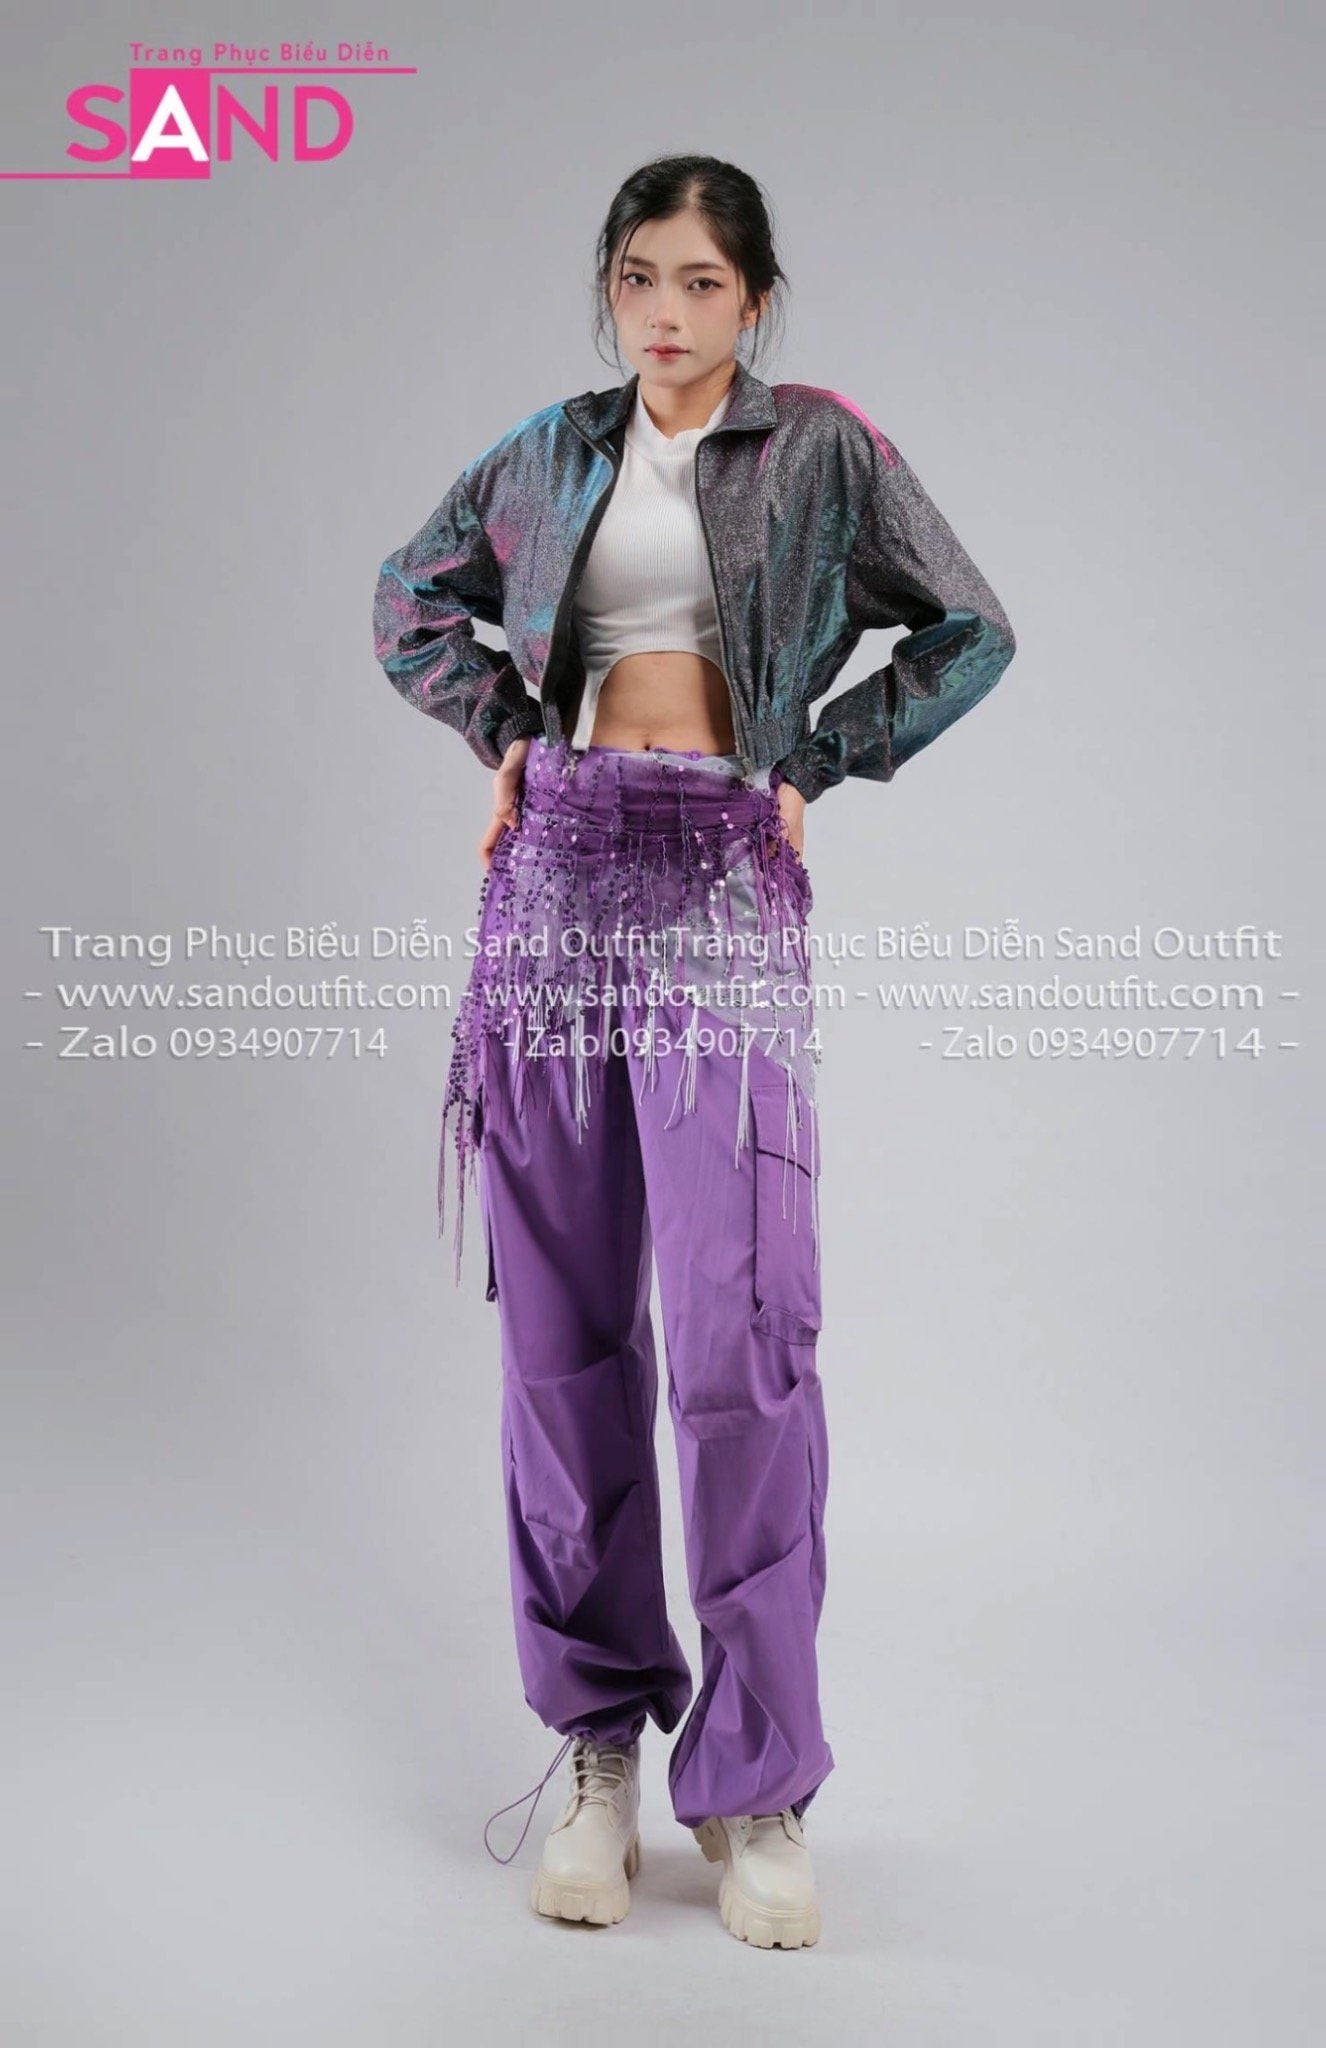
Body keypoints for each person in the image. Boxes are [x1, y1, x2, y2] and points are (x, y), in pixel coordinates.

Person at [372, 153, 1016, 1950]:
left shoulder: (815, 449)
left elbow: (970, 628)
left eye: (704, 282)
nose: (666, 312)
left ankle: (757, 1786)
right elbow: (410, 599)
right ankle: (597, 1745)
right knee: (563, 1339)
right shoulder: (546, 453)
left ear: (755, 299)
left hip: (723, 868)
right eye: (639, 277)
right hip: (557, 870)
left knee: (742, 1334)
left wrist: (816, 762)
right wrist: (505, 728)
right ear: (609, 286)